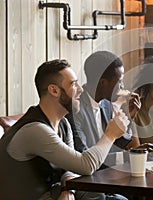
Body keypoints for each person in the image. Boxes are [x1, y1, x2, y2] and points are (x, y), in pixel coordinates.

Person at [0, 59, 129, 200]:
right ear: (54, 90)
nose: (80, 89)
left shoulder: (63, 124)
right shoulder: (35, 130)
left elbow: (71, 167)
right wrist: (110, 135)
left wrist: (68, 190)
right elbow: (85, 165)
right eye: (73, 84)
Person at [66, 51, 140, 155]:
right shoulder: (76, 110)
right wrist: (127, 157)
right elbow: (84, 156)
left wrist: (128, 119)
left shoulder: (106, 104)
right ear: (103, 83)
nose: (122, 87)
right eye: (119, 82)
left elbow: (113, 146)